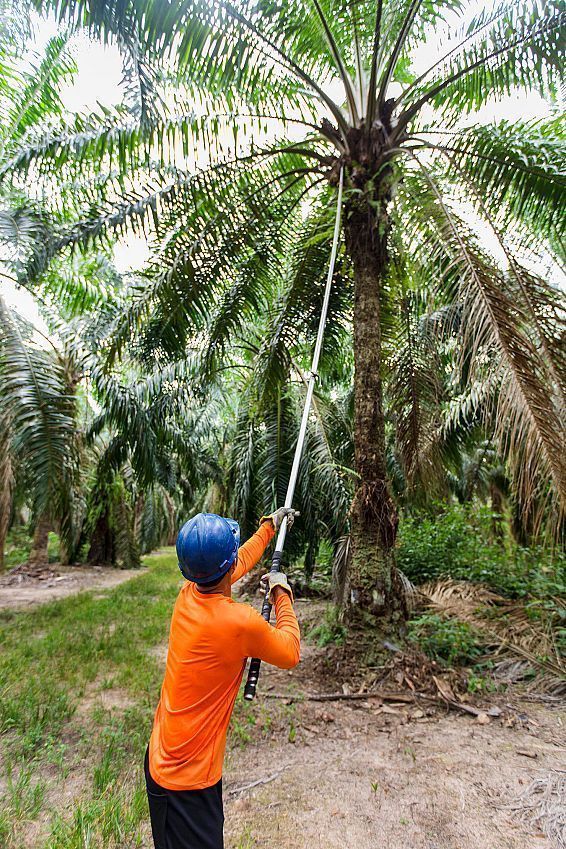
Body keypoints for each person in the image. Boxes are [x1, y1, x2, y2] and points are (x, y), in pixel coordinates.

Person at [145, 507, 300, 849]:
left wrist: (268, 528)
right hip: (184, 783)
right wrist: (281, 593)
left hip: (168, 760)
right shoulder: (238, 623)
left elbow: (235, 562)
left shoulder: (188, 595)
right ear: (227, 568)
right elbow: (290, 650)